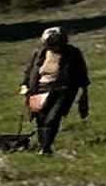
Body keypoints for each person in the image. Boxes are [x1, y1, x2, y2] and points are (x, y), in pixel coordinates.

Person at [22, 25, 89, 155]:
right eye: (51, 44)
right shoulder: (39, 53)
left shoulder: (73, 53)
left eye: (57, 44)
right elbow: (30, 71)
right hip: (38, 89)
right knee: (40, 119)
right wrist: (25, 84)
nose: (54, 47)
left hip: (63, 90)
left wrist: (84, 91)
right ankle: (43, 146)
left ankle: (46, 148)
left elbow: (82, 72)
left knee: (52, 118)